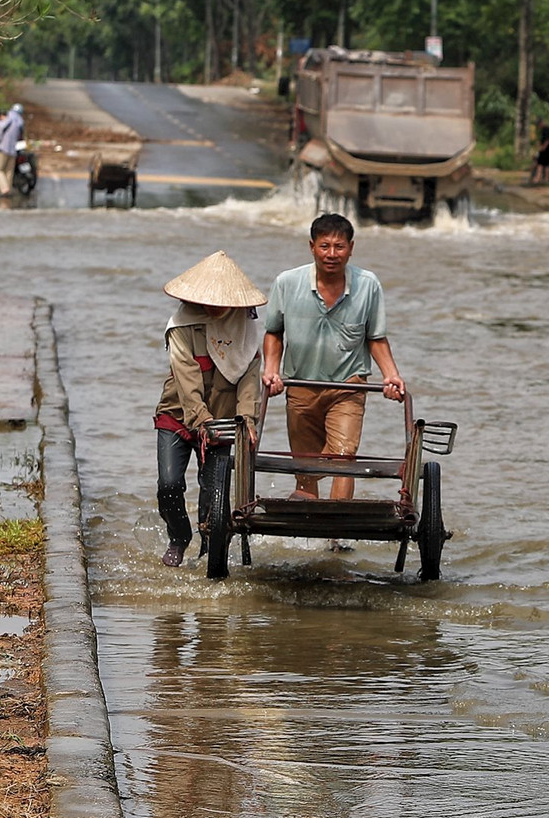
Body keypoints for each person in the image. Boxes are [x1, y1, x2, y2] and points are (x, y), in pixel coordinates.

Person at [260, 213, 404, 500]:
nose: (332, 254)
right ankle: (306, 528)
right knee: (304, 462)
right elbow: (274, 332)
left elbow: (375, 337)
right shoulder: (287, 282)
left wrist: (391, 374)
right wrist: (271, 370)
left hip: (349, 386)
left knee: (343, 458)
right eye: (325, 246)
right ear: (312, 246)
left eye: (339, 247)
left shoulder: (368, 285)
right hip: (299, 385)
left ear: (351, 248)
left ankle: (337, 533)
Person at [153, 251, 267, 567]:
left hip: (223, 420)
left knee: (212, 495)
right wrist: (200, 419)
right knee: (169, 485)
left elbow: (249, 378)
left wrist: (247, 420)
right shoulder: (180, 326)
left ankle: (208, 546)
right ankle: (178, 536)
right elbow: (185, 377)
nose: (215, 306)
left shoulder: (245, 330)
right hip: (177, 414)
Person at [0, 102, 25, 196]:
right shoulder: (20, 121)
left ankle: (4, 189)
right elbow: (21, 136)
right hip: (13, 151)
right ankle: (8, 190)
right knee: (9, 171)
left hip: (2, 148)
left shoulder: (8, 118)